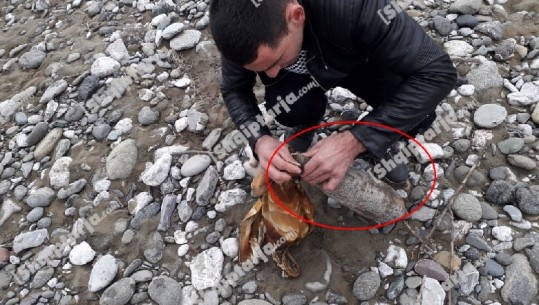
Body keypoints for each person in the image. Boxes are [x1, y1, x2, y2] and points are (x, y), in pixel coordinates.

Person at [209, 0, 457, 191]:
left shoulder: (356, 8)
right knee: (286, 108)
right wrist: (259, 140)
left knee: (419, 117)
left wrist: (357, 140)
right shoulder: (239, 23)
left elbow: (437, 73)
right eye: (261, 69)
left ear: (296, 16)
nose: (270, 75)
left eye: (274, 61)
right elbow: (233, 89)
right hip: (301, 76)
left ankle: (376, 143)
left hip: (356, 59)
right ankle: (308, 119)